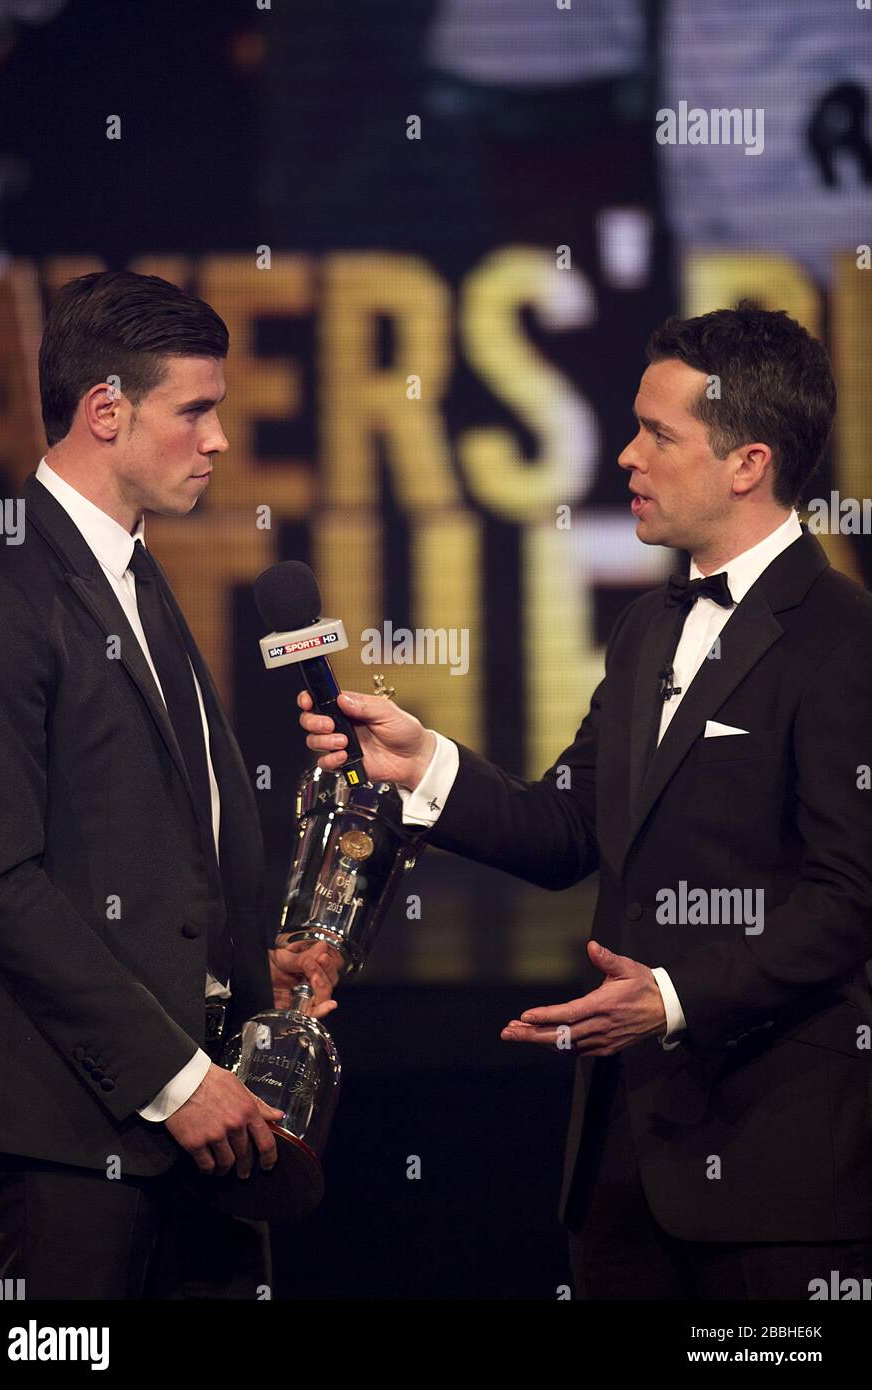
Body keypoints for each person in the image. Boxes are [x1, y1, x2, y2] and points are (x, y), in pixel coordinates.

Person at [299, 301, 872, 1301]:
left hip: (779, 1183)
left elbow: (849, 897)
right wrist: (424, 761)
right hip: (615, 1165)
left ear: (747, 462)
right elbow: (568, 828)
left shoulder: (842, 637)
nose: (623, 457)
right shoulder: (649, 626)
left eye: (657, 433)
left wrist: (670, 998)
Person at [0, 270, 340, 1300]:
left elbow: (149, 845)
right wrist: (176, 1082)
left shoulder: (138, 578)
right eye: (196, 410)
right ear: (106, 412)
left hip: (214, 1132)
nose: (218, 439)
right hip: (82, 1138)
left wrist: (239, 963)